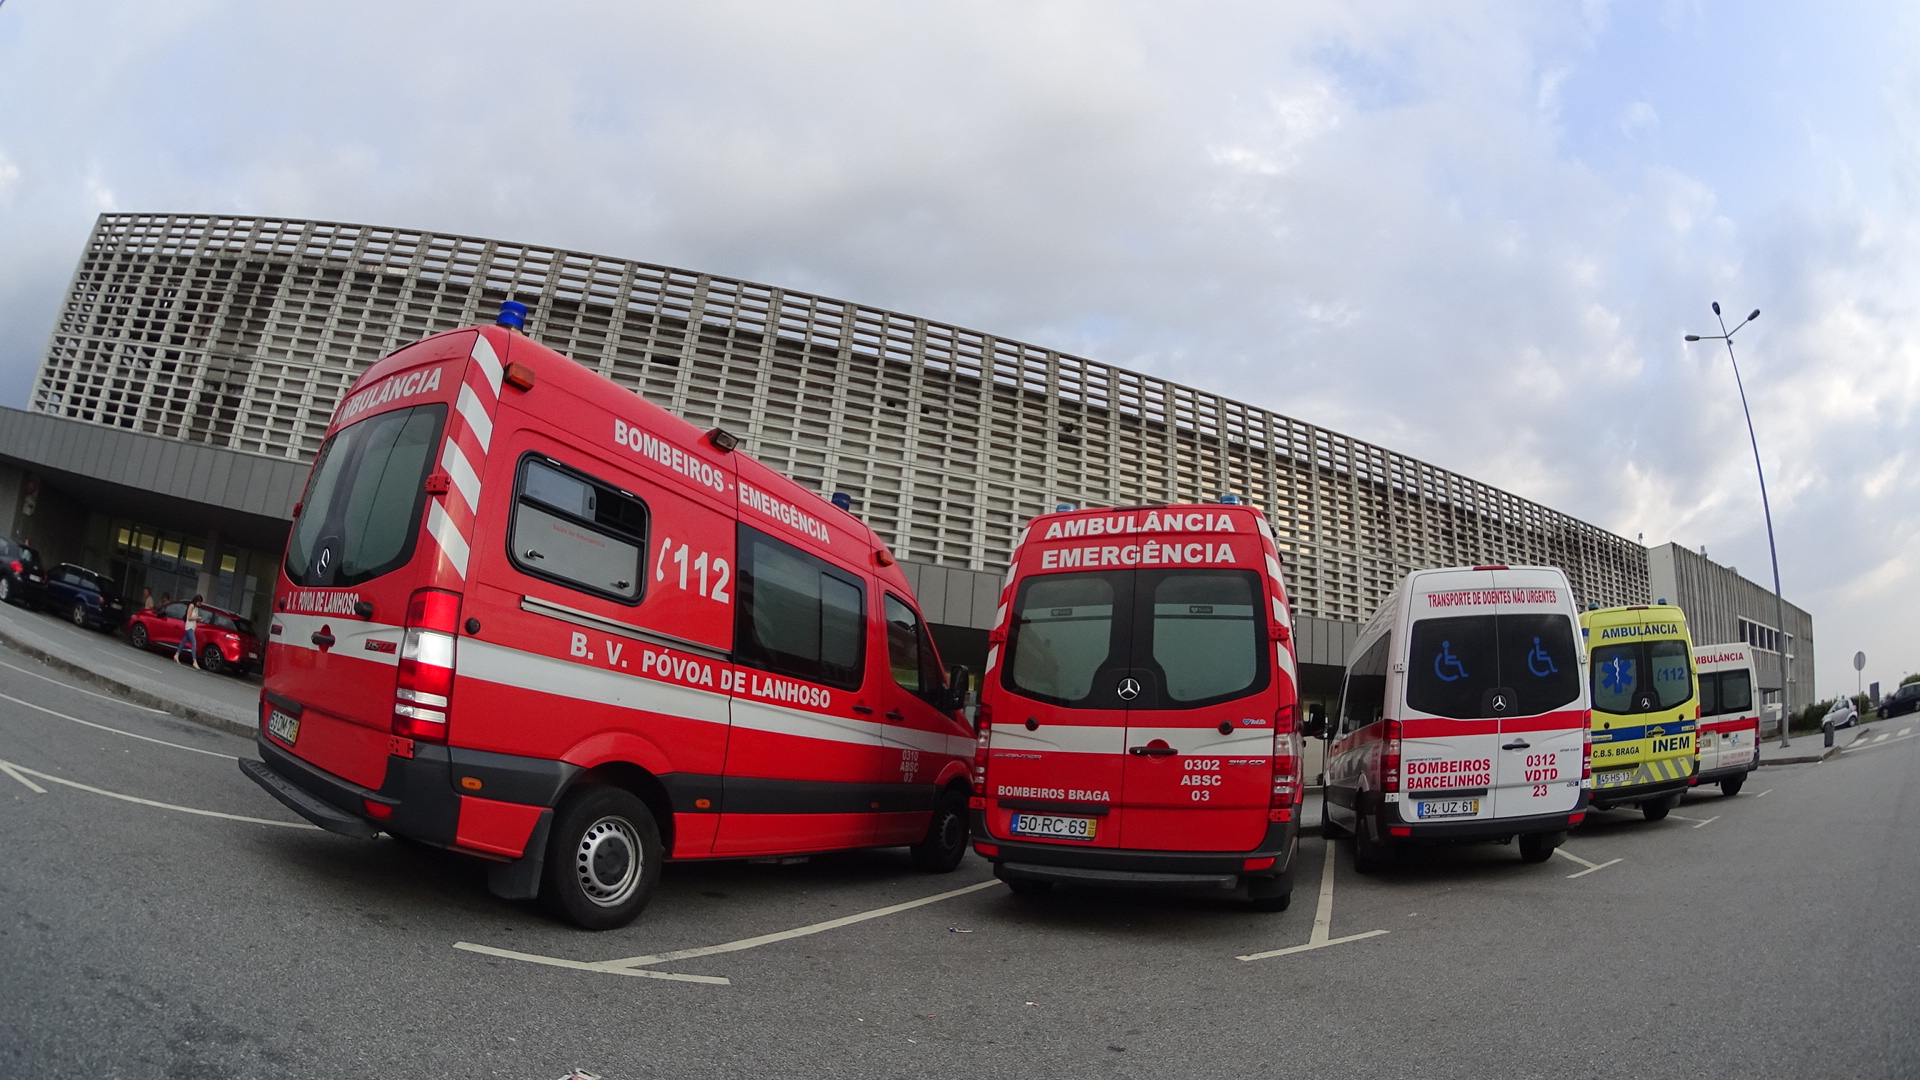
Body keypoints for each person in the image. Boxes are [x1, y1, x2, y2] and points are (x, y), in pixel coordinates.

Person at [175, 594, 203, 668]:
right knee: (194, 643)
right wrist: (197, 618)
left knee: (184, 642)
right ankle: (194, 661)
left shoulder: (196, 608)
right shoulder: (191, 606)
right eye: (199, 602)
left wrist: (198, 619)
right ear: (196, 601)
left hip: (192, 627)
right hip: (189, 627)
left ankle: (177, 655)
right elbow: (189, 617)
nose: (200, 604)